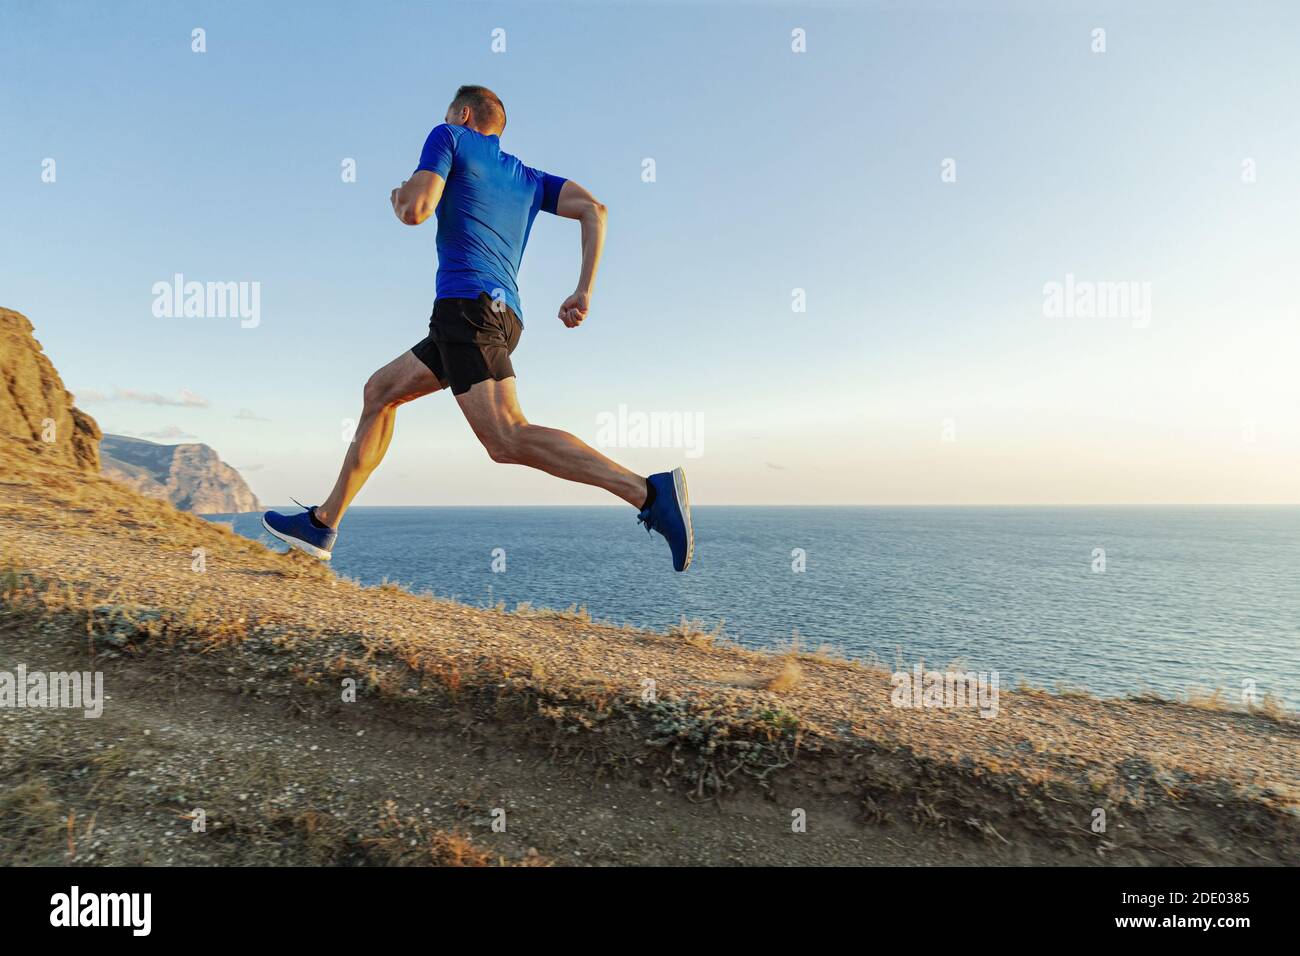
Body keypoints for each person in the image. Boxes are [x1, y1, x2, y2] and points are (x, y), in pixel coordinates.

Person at [262, 85, 693, 571]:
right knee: (380, 391)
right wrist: (583, 291)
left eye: (450, 114)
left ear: (463, 114)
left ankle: (647, 494)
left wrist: (401, 193)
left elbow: (415, 211)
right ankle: (322, 523)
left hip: (468, 310)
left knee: (506, 437)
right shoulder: (528, 177)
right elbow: (597, 211)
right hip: (497, 317)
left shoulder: (448, 136)